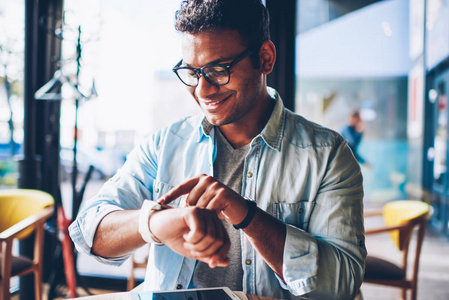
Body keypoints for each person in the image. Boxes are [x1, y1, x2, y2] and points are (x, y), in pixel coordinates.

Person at [69, 1, 366, 299]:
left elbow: (341, 286)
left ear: (265, 58)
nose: (202, 89)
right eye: (192, 71)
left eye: (218, 69)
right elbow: (88, 233)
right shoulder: (164, 145)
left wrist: (247, 215)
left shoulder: (327, 155)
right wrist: (157, 223)